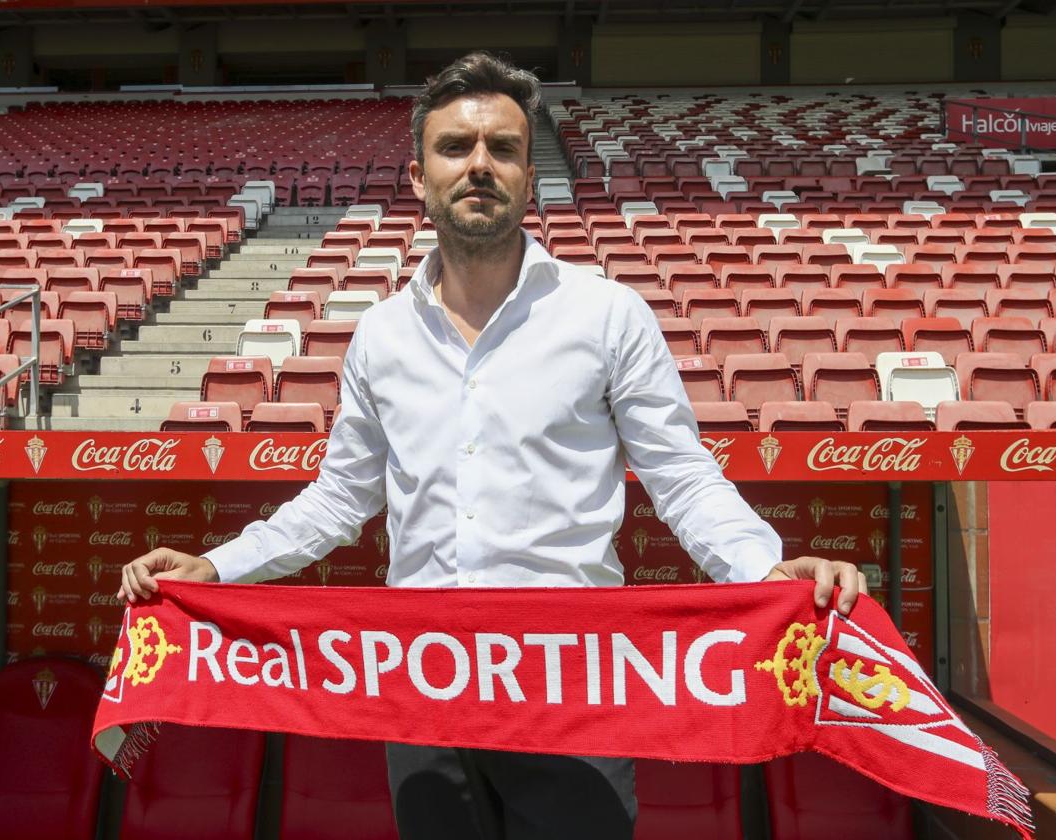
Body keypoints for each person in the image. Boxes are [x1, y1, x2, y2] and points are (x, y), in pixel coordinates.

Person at [117, 51, 868, 840]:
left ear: (529, 172)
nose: (480, 165)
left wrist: (766, 567)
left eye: (503, 148)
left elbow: (682, 479)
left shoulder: (607, 315)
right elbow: (341, 497)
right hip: (423, 682)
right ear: (418, 177)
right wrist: (217, 566)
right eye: (456, 148)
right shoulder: (379, 335)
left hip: (573, 682)